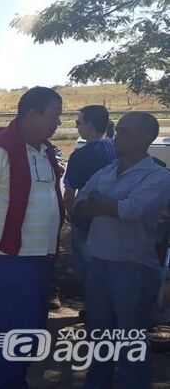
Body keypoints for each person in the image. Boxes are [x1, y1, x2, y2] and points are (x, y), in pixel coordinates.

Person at [0, 86, 64, 388]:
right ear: (32, 115)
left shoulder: (45, 151)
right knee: (16, 333)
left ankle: (16, 382)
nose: (58, 124)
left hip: (41, 258)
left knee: (31, 331)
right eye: (54, 117)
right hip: (11, 259)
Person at [74, 112, 170, 388]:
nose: (118, 136)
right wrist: (111, 206)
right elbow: (80, 204)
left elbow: (131, 210)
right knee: (99, 338)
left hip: (133, 268)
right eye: (119, 131)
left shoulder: (159, 176)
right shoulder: (106, 170)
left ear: (146, 137)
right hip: (98, 264)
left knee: (131, 341)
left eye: (126, 132)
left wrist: (104, 205)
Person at [63, 105, 116, 292]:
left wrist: (70, 215)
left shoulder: (79, 156)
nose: (77, 127)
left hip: (86, 222)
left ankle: (94, 310)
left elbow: (68, 194)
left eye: (79, 122)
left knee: (89, 270)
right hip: (114, 219)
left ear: (90, 125)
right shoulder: (119, 150)